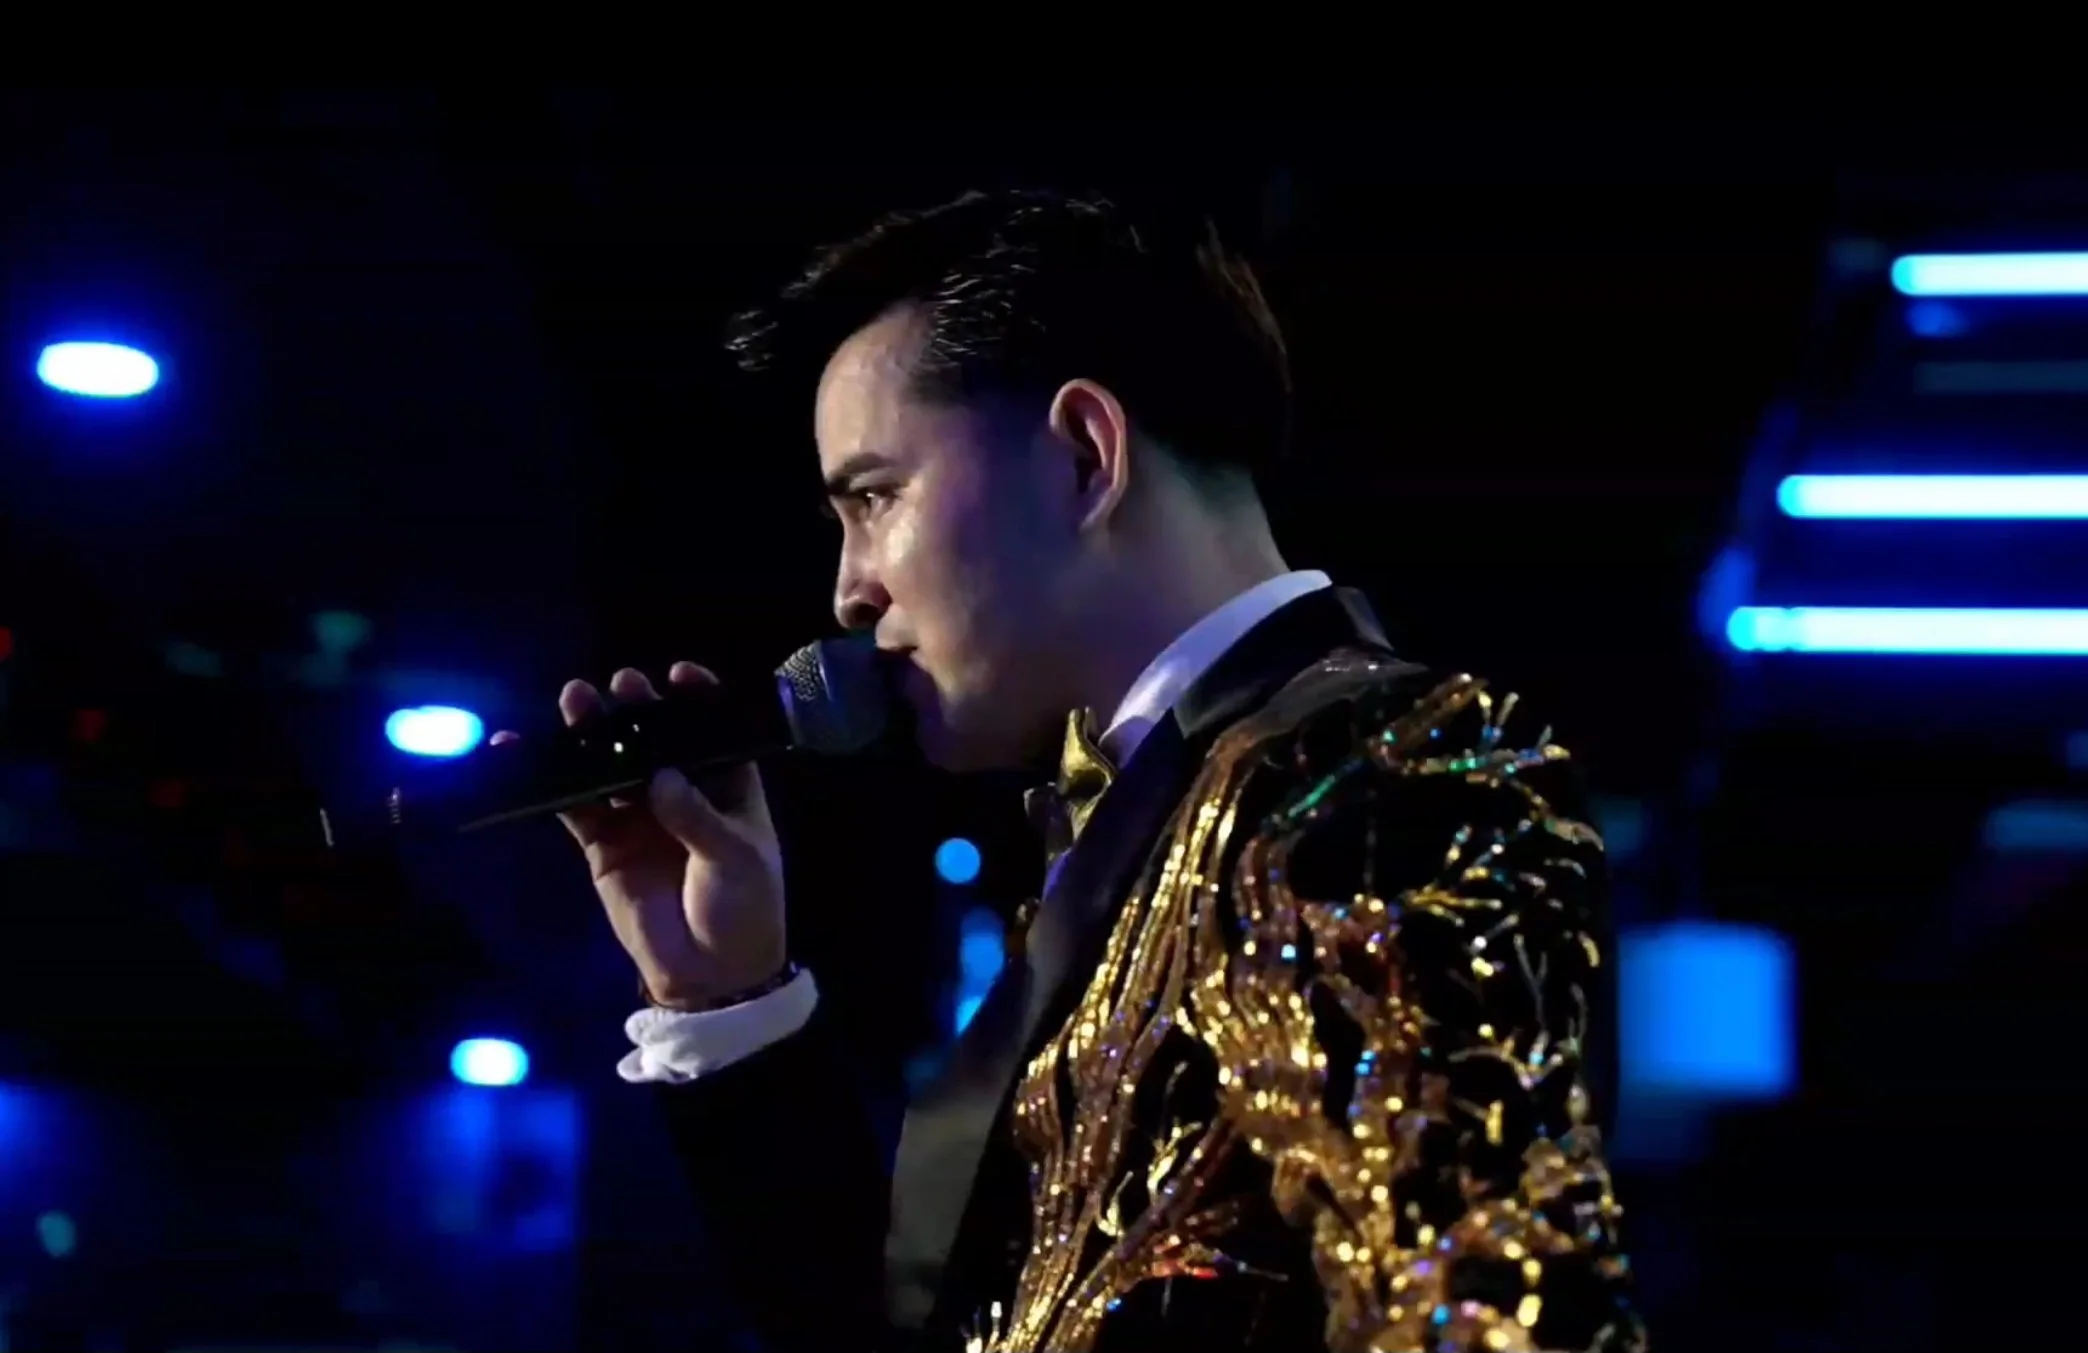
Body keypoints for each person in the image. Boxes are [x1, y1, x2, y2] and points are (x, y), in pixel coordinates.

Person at [541, 190, 1642, 1352]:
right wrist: (729, 1001)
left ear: (1083, 454)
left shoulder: (1374, 778)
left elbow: (1494, 1314)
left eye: (874, 498)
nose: (848, 593)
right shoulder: (1174, 795)